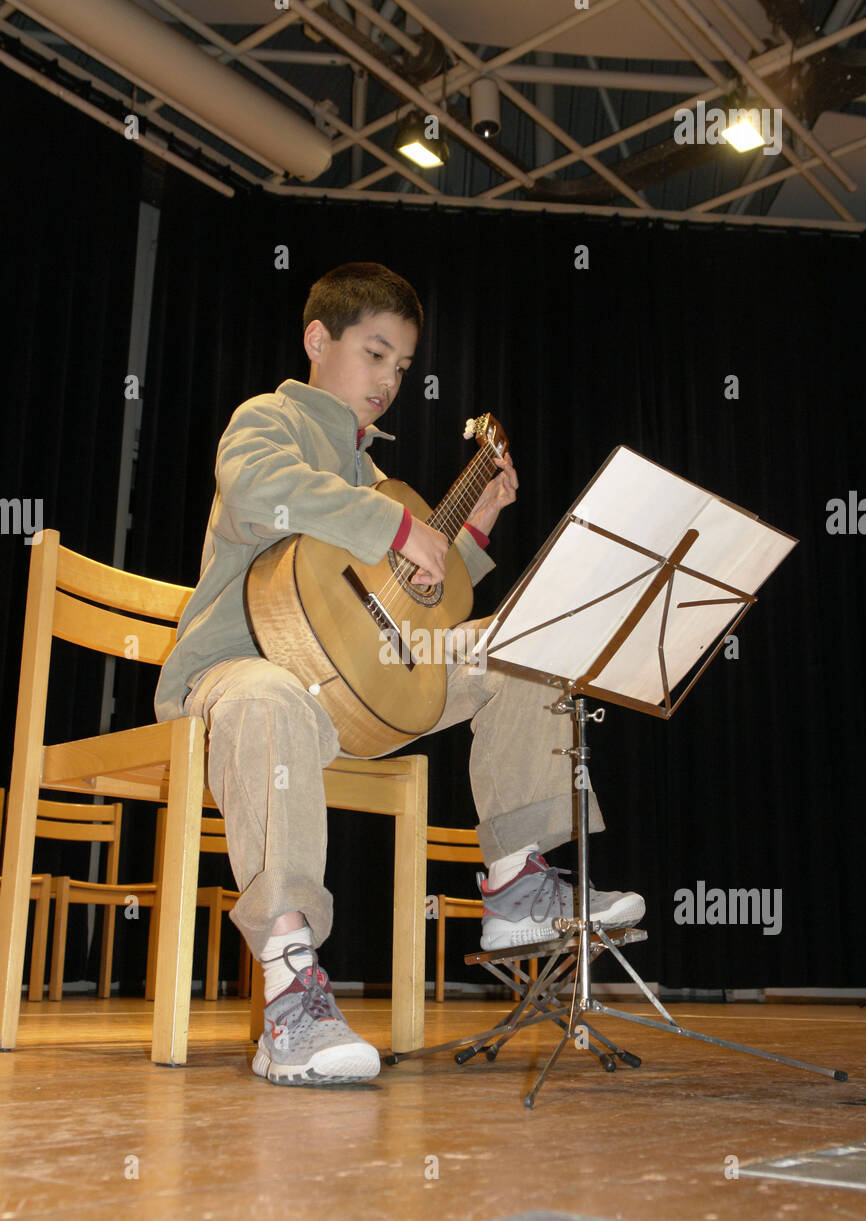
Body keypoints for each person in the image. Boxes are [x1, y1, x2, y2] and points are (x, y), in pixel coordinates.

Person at [155, 262, 645, 1087]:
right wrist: (397, 525)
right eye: (375, 353)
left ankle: (518, 884)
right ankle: (289, 993)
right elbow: (253, 491)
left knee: (526, 637)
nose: (388, 379)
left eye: (403, 366)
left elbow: (417, 610)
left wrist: (471, 536)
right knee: (271, 694)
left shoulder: (380, 479)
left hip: (363, 687)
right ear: (319, 339)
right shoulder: (269, 420)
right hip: (243, 676)